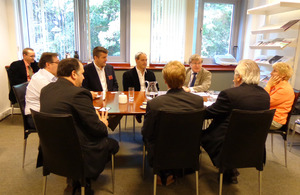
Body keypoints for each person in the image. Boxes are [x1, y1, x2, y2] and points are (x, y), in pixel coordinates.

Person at [40, 58, 119, 194]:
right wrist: (103, 123)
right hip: (78, 152)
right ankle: (84, 178)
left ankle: (76, 179)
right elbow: (98, 130)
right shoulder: (79, 94)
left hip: (50, 150)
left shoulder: (45, 90)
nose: (83, 78)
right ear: (73, 74)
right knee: (113, 144)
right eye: (82, 74)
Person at [201, 59, 270, 184]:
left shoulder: (229, 94)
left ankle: (188, 169)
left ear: (239, 77)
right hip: (254, 147)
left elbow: (209, 113)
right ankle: (230, 171)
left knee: (198, 133)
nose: (233, 79)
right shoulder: (265, 96)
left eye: (234, 75)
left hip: (225, 144)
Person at [142, 61, 204, 186]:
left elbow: (146, 133)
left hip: (161, 154)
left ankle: (162, 173)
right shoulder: (198, 101)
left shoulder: (155, 104)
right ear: (184, 79)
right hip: (189, 151)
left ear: (165, 81)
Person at [82, 46, 121, 131]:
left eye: (106, 57)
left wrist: (112, 95)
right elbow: (84, 88)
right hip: (95, 100)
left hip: (110, 99)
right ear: (96, 57)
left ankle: (106, 124)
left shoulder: (109, 68)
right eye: (103, 57)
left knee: (121, 109)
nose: (106, 60)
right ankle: (101, 126)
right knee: (95, 114)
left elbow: (115, 84)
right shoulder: (86, 70)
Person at [24, 52, 59, 129]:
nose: (60, 66)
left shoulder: (52, 76)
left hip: (45, 112)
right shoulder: (40, 79)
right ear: (48, 64)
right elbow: (56, 98)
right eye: (57, 63)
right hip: (35, 117)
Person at [123, 52, 159, 123]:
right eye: (142, 60)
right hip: (136, 99)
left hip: (149, 98)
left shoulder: (150, 74)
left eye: (146, 60)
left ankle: (150, 122)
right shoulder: (128, 74)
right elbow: (127, 91)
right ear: (136, 60)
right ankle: (140, 115)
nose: (145, 62)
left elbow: (156, 88)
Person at [264, 62, 294, 130]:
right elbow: (262, 97)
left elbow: (265, 102)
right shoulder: (275, 84)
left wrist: (268, 86)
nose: (271, 73)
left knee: (246, 120)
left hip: (275, 121)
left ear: (283, 75)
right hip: (268, 115)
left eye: (274, 71)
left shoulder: (284, 89)